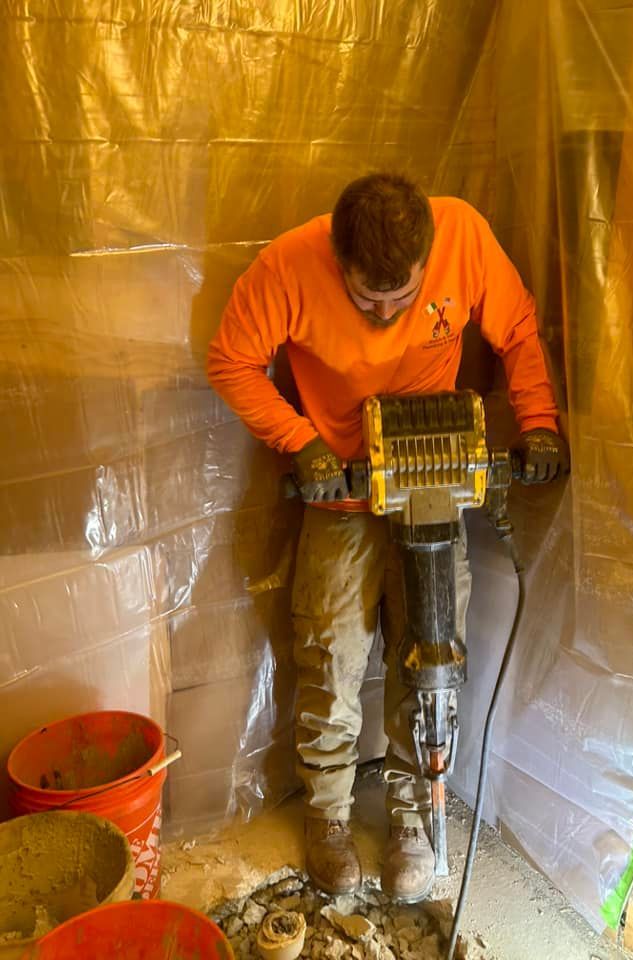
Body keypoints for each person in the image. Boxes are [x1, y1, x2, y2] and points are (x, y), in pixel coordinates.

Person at [207, 172, 567, 903]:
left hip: (429, 488)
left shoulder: (463, 235)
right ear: (336, 257)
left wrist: (539, 423)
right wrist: (299, 440)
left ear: (426, 260)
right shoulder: (287, 265)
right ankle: (329, 818)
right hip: (340, 497)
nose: (381, 314)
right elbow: (230, 361)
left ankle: (411, 814)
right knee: (331, 660)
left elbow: (520, 331)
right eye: (364, 298)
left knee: (430, 660)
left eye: (399, 299)